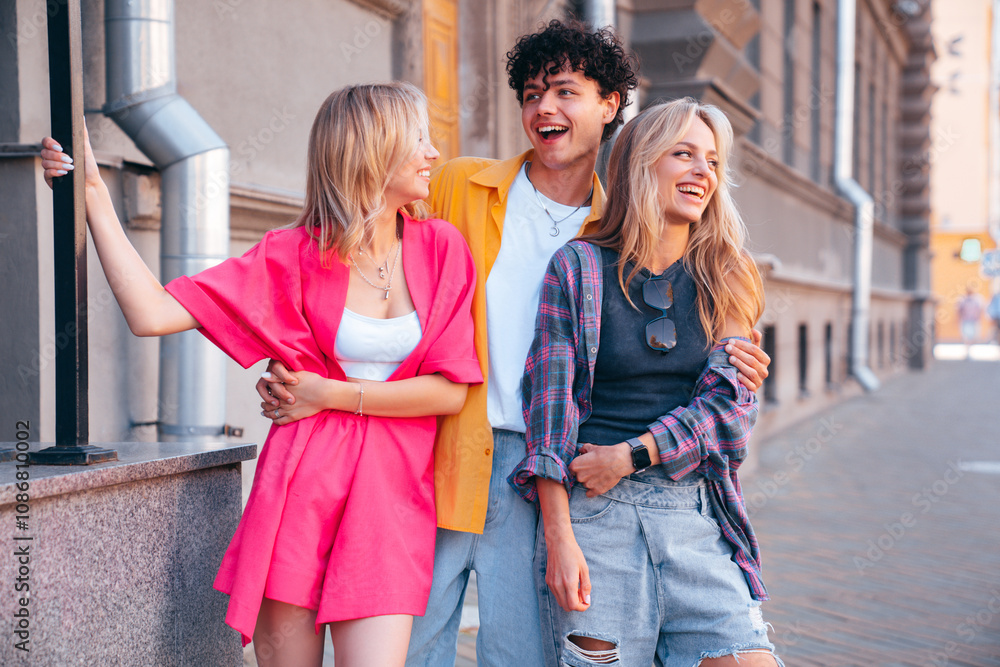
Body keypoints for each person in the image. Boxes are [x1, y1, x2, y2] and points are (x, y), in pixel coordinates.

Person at [257, 20, 772, 666]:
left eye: (564, 92)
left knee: (521, 653)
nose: (543, 108)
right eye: (531, 94)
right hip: (434, 453)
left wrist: (730, 362)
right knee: (410, 648)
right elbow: (361, 249)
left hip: (542, 471)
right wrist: (299, 353)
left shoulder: (620, 234)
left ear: (610, 105)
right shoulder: (459, 187)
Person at [41, 82, 482, 667]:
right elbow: (150, 313)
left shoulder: (441, 248)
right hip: (299, 490)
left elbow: (450, 391)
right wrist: (93, 193)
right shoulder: (292, 254)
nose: (433, 153)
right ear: (373, 148)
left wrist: (328, 393)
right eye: (419, 138)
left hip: (390, 499)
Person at [509, 98, 783, 666]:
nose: (702, 172)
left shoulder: (727, 273)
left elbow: (731, 413)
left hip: (694, 516)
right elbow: (551, 413)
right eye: (683, 154)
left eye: (711, 160)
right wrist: (560, 538)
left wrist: (634, 453)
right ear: (640, 163)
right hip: (594, 521)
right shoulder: (578, 267)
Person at [957, 287, 985, 351]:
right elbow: (959, 310)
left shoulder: (976, 300)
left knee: (973, 335)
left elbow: (980, 309)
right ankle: (968, 347)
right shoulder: (963, 300)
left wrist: (979, 317)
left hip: (973, 320)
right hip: (966, 320)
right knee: (966, 335)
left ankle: (970, 346)